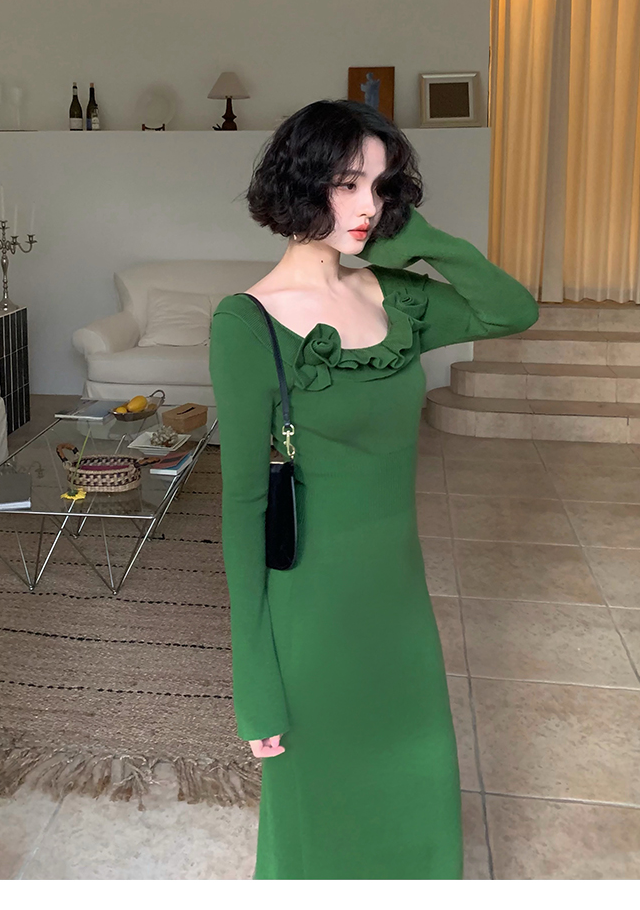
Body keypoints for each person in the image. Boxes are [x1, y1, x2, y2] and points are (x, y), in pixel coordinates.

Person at [208, 99, 539, 879]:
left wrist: (421, 238)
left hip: (398, 605)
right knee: (319, 819)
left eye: (382, 186)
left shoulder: (396, 296)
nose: (368, 206)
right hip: (312, 616)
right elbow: (243, 508)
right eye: (349, 183)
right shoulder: (247, 323)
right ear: (301, 183)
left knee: (417, 788)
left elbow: (512, 310)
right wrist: (254, 681)